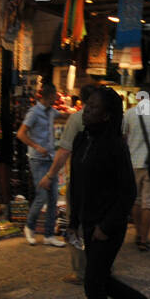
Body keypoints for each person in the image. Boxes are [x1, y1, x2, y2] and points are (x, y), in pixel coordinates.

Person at [69, 87, 150, 299]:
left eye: (94, 108)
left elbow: (127, 192)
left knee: (93, 282)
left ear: (107, 116)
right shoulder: (82, 140)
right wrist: (73, 222)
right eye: (87, 105)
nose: (86, 110)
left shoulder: (115, 146)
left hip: (109, 226)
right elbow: (76, 183)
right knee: (100, 278)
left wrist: (106, 226)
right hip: (88, 221)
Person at [40, 83, 98, 283]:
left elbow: (64, 150)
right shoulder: (112, 118)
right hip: (105, 178)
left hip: (82, 178)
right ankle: (103, 268)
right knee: (99, 221)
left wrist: (50, 174)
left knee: (78, 222)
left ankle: (80, 272)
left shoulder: (77, 118)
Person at [17, 79, 66, 247]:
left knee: (52, 197)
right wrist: (36, 146)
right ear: (50, 95)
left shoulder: (52, 112)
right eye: (54, 95)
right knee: (42, 195)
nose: (56, 98)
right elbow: (21, 134)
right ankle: (29, 227)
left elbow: (64, 118)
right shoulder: (33, 112)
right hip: (37, 160)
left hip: (50, 159)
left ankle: (49, 235)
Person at [120, 90, 150, 252]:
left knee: (136, 200)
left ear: (138, 97)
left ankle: (138, 233)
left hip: (133, 162)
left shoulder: (129, 113)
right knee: (149, 201)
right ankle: (144, 239)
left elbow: (124, 138)